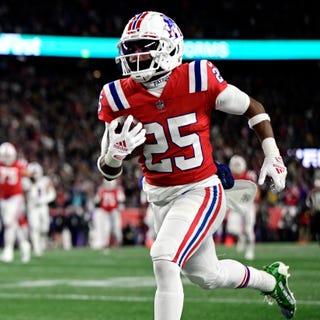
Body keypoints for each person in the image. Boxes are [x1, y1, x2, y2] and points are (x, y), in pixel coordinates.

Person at [96, 11, 295, 319]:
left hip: (201, 189)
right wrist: (115, 154)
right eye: (131, 48)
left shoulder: (197, 77)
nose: (136, 56)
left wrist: (273, 154)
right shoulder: (116, 95)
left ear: (170, 47)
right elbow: (107, 170)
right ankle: (272, 281)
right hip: (159, 197)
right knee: (208, 275)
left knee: (163, 258)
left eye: (145, 46)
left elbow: (252, 108)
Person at [225, 155, 259, 260]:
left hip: (248, 205)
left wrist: (255, 203)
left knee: (249, 229)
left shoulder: (250, 175)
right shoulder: (229, 176)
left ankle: (250, 250)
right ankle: (241, 237)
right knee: (231, 229)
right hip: (236, 205)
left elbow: (257, 193)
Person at [24, 162, 56, 257]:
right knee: (35, 227)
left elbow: (52, 193)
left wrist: (44, 200)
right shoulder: (25, 182)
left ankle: (41, 243)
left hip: (43, 206)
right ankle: (37, 249)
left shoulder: (45, 180)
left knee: (45, 228)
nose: (34, 175)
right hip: (32, 207)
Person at [92, 179, 125, 253]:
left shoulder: (117, 190)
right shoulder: (101, 190)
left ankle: (118, 244)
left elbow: (122, 202)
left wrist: (119, 208)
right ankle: (105, 245)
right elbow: (96, 202)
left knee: (116, 229)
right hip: (105, 212)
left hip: (114, 211)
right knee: (106, 229)